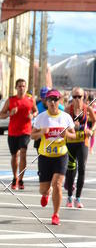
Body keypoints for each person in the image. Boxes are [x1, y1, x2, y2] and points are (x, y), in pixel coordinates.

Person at [30, 88, 75, 226]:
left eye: (55, 99)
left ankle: (56, 215)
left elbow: (73, 136)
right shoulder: (41, 117)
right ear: (46, 101)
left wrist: (67, 134)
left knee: (57, 184)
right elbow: (32, 135)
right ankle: (46, 193)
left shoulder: (66, 117)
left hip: (61, 155)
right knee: (43, 189)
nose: (53, 102)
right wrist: (41, 133)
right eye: (50, 99)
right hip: (45, 156)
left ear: (59, 101)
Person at [0, 78, 37, 190]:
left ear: (26, 87)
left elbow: (35, 111)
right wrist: (10, 113)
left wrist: (33, 115)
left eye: (23, 86)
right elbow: (1, 115)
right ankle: (15, 177)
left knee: (23, 153)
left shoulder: (30, 99)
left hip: (25, 131)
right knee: (14, 156)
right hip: (13, 132)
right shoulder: (10, 100)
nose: (21, 88)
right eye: (19, 86)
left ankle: (21, 179)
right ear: (16, 87)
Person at [64, 87, 95, 208]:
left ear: (84, 97)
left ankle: (78, 198)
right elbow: (63, 125)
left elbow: (94, 121)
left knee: (82, 168)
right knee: (71, 169)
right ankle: (69, 197)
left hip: (83, 142)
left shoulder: (88, 109)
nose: (77, 99)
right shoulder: (68, 109)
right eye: (74, 97)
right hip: (70, 142)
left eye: (79, 97)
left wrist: (91, 130)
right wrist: (74, 126)